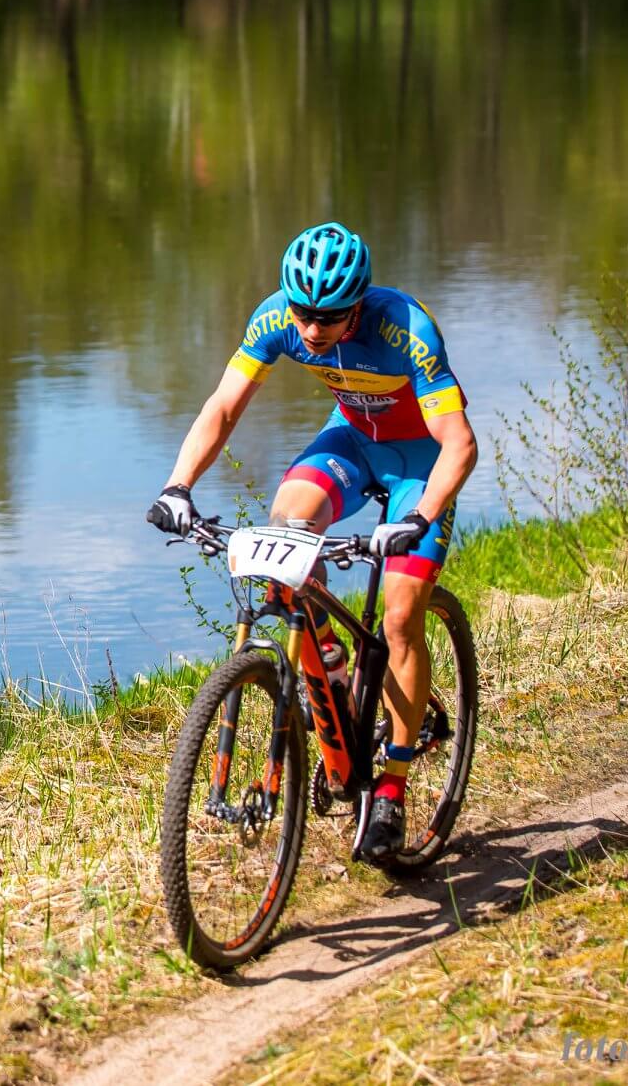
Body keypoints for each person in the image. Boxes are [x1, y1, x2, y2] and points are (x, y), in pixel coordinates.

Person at [147, 222, 477, 861]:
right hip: (352, 439)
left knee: (401, 616)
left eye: (327, 317)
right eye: (302, 313)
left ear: (358, 304)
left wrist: (420, 516)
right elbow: (224, 407)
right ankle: (331, 669)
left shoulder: (406, 329)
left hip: (419, 461)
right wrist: (177, 486)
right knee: (286, 526)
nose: (311, 329)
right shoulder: (276, 319)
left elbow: (459, 444)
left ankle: (392, 787)